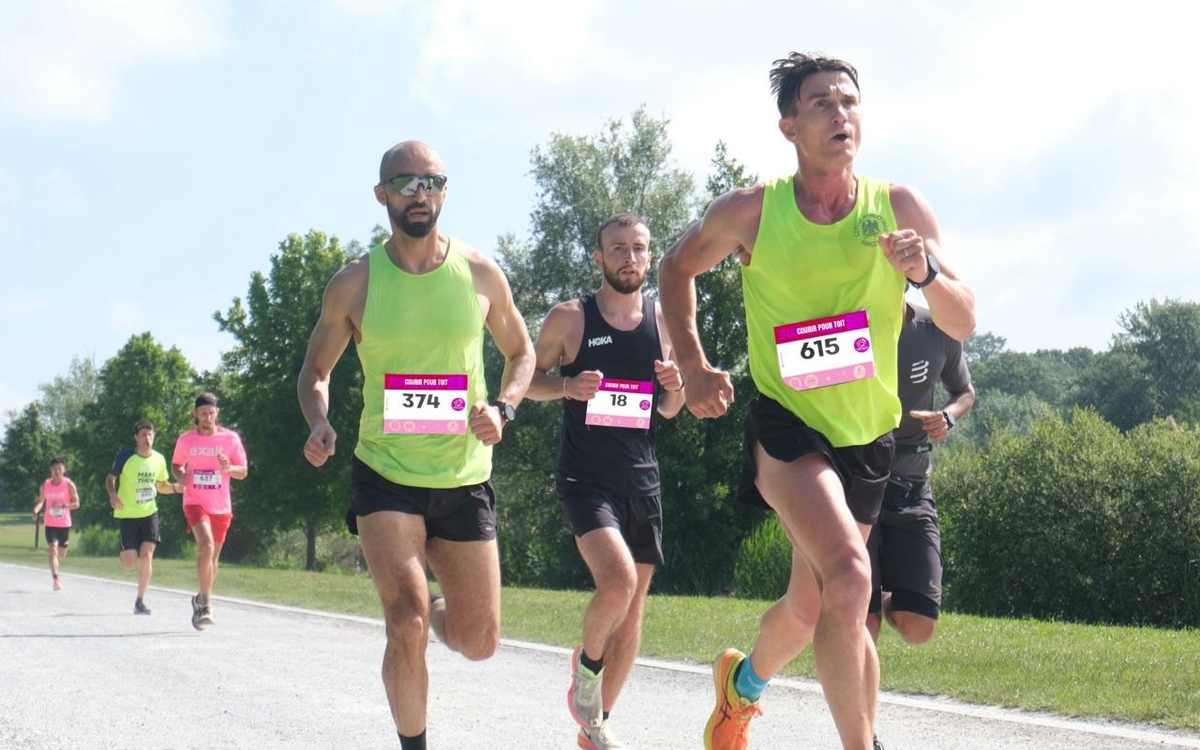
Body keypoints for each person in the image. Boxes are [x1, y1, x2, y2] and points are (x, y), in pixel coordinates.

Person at [657, 52, 976, 750]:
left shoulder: (898, 208)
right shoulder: (750, 211)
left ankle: (739, 691)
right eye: (822, 103)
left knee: (809, 606)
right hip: (788, 427)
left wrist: (922, 271)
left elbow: (962, 319)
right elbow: (673, 266)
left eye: (850, 101)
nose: (841, 114)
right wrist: (694, 362)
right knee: (852, 577)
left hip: (868, 438)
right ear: (789, 125)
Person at [297, 140, 534, 750]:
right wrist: (319, 421)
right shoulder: (354, 283)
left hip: (463, 477)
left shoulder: (480, 272)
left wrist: (503, 408)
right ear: (383, 195)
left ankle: (428, 609)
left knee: (480, 641)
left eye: (431, 183)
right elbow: (315, 372)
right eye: (405, 184)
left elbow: (522, 351)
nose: (419, 194)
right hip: (385, 473)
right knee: (405, 623)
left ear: (445, 192)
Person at [526, 214, 685, 750]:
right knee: (616, 583)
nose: (629, 258)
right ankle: (586, 671)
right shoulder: (570, 318)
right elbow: (526, 382)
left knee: (634, 607)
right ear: (598, 258)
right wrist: (568, 386)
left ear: (649, 257)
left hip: (642, 480)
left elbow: (669, 408)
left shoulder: (665, 322)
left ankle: (596, 725)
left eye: (639, 249)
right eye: (617, 249)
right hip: (585, 479)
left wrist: (676, 385)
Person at [866, 303, 975, 645]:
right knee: (861, 624)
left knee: (919, 626)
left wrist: (948, 417)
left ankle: (880, 598)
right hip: (855, 483)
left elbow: (965, 392)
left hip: (911, 487)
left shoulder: (937, 326)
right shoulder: (846, 315)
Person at [171, 393, 248, 631]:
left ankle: (198, 598)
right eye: (202, 413)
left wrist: (229, 467)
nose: (207, 418)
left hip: (221, 505)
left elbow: (243, 471)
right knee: (206, 546)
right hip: (194, 500)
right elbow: (176, 464)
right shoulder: (186, 440)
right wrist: (180, 475)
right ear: (195, 415)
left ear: (218, 414)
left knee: (213, 561)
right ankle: (206, 605)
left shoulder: (230, 439)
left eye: (211, 413)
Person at [106, 419, 183, 615]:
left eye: (150, 435)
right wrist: (113, 494)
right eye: (143, 435)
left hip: (150, 512)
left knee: (148, 555)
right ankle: (124, 552)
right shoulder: (125, 457)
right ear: (136, 438)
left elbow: (161, 485)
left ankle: (140, 601)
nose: (147, 438)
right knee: (130, 562)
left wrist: (175, 488)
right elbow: (110, 479)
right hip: (127, 513)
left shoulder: (158, 459)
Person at [32, 457, 80, 591]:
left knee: (62, 553)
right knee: (53, 549)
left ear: (64, 470)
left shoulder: (69, 484)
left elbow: (76, 504)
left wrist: (64, 505)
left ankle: (58, 561)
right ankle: (56, 580)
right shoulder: (46, 484)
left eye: (59, 469)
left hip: (64, 523)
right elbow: (41, 500)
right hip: (50, 523)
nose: (57, 471)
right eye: (54, 469)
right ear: (50, 471)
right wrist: (36, 510)